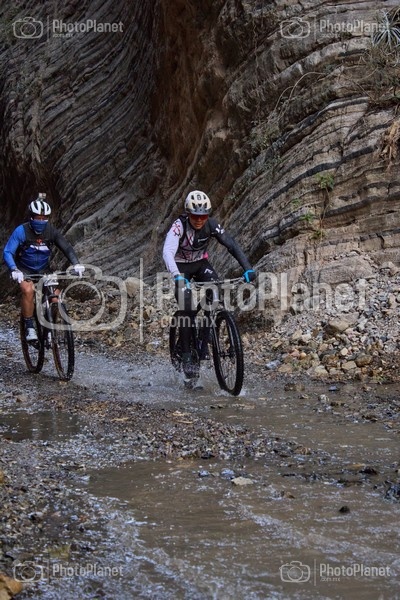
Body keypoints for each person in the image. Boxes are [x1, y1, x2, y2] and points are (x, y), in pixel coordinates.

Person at [163, 190, 256, 377]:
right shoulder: (178, 226)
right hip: (180, 268)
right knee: (187, 306)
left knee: (214, 293)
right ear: (188, 214)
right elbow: (167, 252)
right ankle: (187, 355)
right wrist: (177, 276)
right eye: (195, 216)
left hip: (200, 265)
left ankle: (203, 339)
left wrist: (247, 268)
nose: (199, 220)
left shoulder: (212, 225)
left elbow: (231, 244)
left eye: (203, 216)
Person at [3, 193, 85, 342]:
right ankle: (29, 327)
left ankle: (49, 326)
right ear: (31, 217)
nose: (41, 221)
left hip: (44, 269)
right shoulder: (21, 231)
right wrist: (14, 269)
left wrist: (76, 263)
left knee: (55, 297)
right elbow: (8, 251)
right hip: (24, 269)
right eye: (38, 218)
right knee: (28, 290)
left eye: (44, 218)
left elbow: (66, 247)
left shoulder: (50, 231)